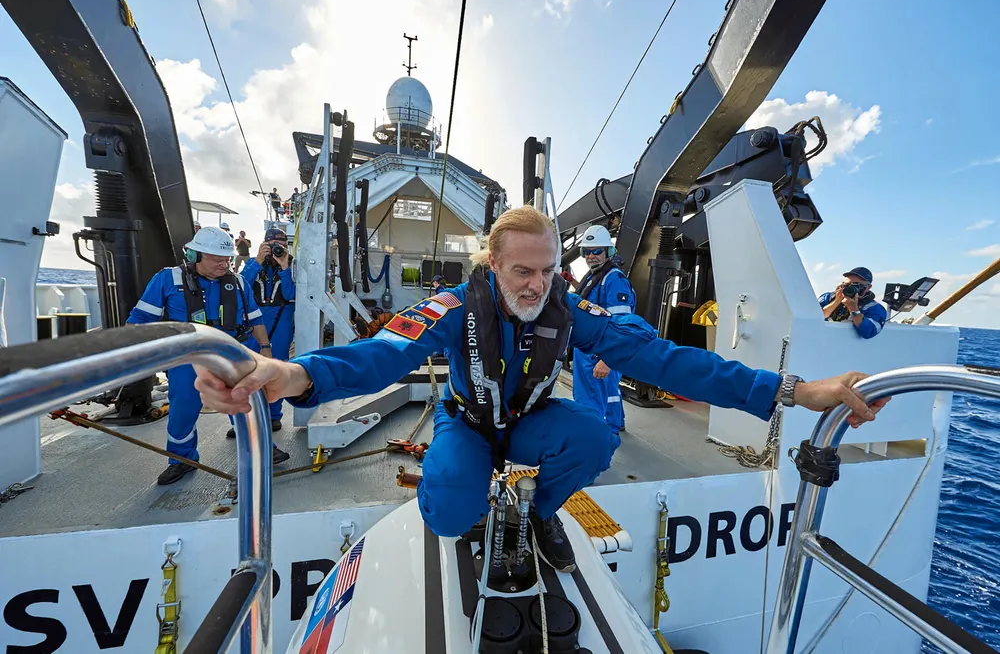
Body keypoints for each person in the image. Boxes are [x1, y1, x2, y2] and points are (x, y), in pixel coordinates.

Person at [193, 207, 888, 572]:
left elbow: (668, 361)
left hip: (530, 422)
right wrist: (293, 376)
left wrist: (797, 391)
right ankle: (471, 510)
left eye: (549, 270)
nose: (537, 284)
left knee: (593, 436)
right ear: (492, 264)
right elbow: (381, 353)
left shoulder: (570, 311)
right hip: (467, 423)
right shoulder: (452, 308)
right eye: (523, 271)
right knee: (450, 510)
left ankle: (539, 513)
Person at [126, 226, 291, 485]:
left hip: (231, 353)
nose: (224, 265)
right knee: (183, 407)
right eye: (217, 260)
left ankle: (262, 447)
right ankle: (181, 460)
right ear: (195, 256)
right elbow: (141, 318)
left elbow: (255, 318)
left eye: (227, 259)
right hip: (188, 357)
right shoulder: (168, 279)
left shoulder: (238, 282)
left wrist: (265, 348)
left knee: (245, 401)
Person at [571, 225, 635, 434]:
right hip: (588, 351)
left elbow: (622, 323)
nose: (591, 256)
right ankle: (612, 425)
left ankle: (597, 436)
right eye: (587, 251)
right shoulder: (594, 276)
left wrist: (608, 360)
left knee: (595, 398)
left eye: (597, 251)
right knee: (603, 395)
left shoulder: (614, 280)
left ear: (608, 252)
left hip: (601, 354)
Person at [232, 227, 295, 434]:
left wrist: (284, 267)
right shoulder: (254, 263)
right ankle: (245, 418)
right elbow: (240, 287)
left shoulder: (292, 266)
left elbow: (291, 294)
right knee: (248, 367)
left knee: (278, 366)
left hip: (281, 318)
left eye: (282, 245)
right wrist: (258, 260)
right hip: (254, 319)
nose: (278, 248)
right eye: (273, 245)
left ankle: (273, 415)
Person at [819, 267, 887, 340]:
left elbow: (868, 332)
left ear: (868, 287)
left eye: (857, 286)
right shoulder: (828, 297)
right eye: (847, 285)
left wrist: (854, 309)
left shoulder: (874, 308)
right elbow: (815, 317)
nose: (851, 288)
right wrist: (836, 302)